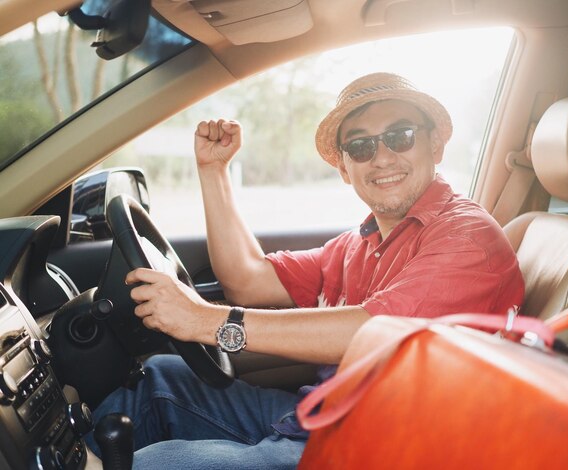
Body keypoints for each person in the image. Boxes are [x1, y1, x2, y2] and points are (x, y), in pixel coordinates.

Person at [87, 72, 524, 469]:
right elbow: (248, 280)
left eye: (400, 135)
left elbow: (376, 332)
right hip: (326, 418)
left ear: (435, 146)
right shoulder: (360, 243)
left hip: (389, 450)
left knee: (155, 465)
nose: (383, 157)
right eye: (361, 146)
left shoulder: (467, 237)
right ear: (345, 169)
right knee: (162, 378)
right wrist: (214, 171)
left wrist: (202, 319)